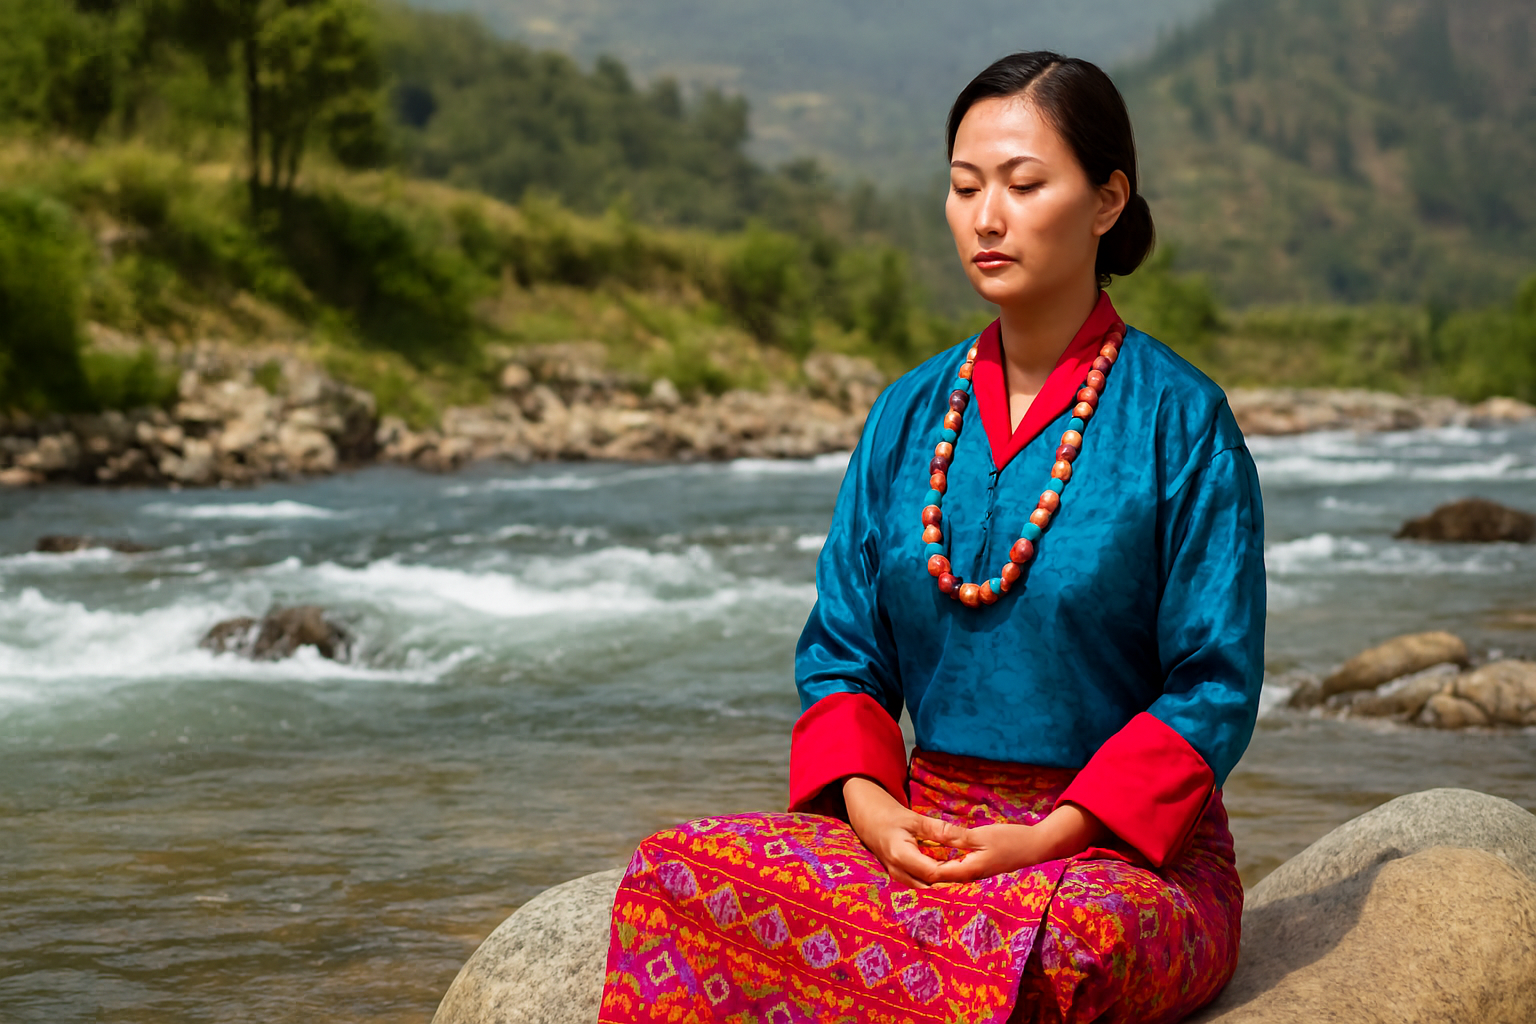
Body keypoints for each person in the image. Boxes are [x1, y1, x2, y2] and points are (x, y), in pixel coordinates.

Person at [600, 51, 1265, 1024]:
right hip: (917, 830)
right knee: (671, 871)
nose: (986, 217)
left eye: (1023, 183)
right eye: (964, 188)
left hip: (1113, 854)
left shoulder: (1181, 419)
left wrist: (1046, 839)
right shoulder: (909, 413)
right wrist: (874, 813)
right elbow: (842, 651)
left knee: (1061, 949)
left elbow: (1214, 681)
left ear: (1107, 199)